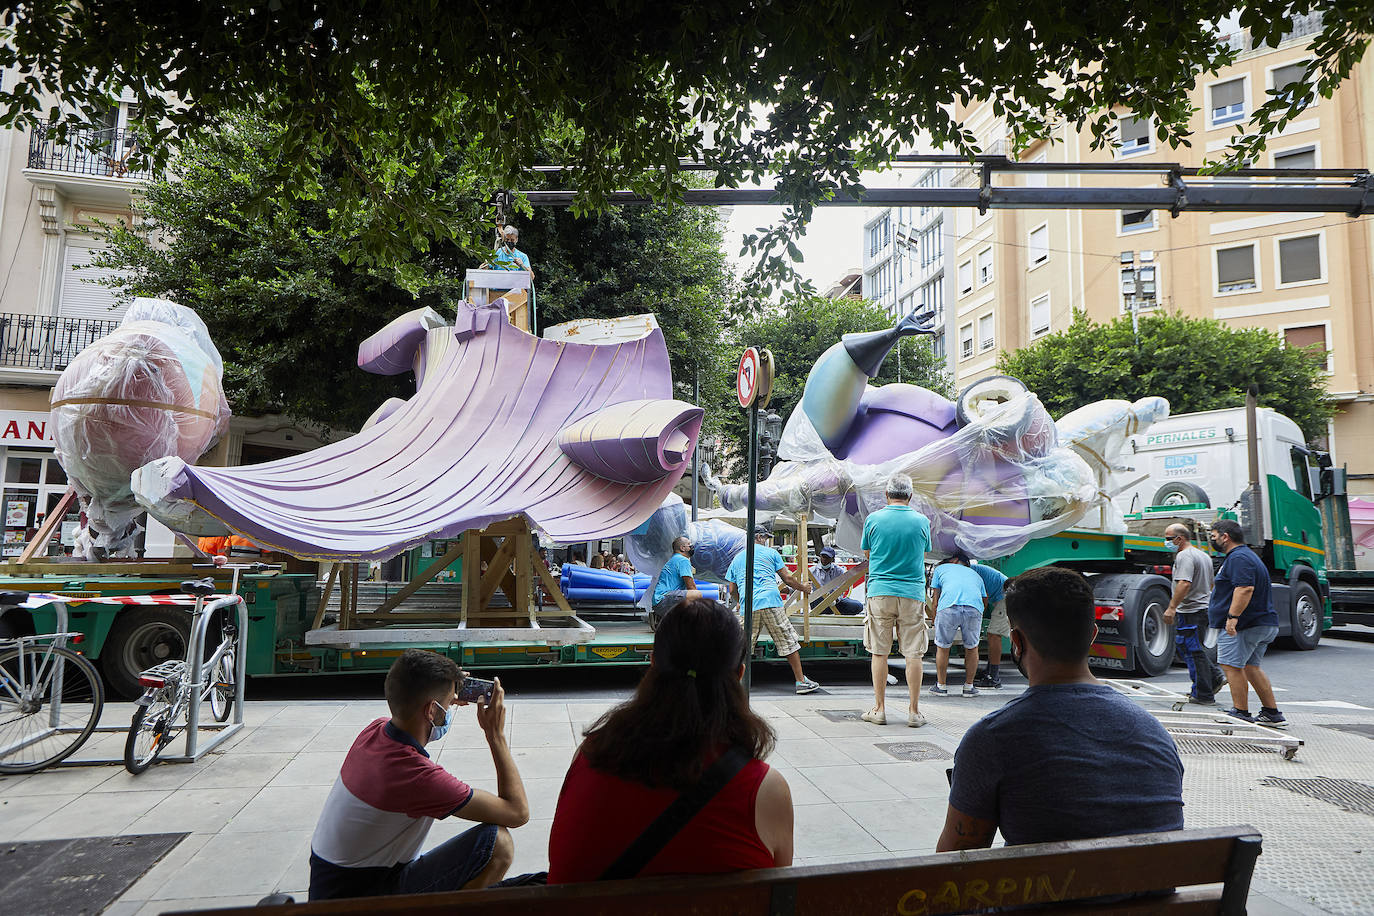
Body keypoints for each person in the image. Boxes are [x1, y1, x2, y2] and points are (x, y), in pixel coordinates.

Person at [937, 567, 1184, 851]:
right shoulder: (1155, 732)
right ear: (1092, 635)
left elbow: (954, 862)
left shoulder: (992, 738)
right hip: (1151, 893)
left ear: (1016, 643)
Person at [548, 598, 793, 882]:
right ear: (739, 674)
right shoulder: (765, 791)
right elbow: (779, 897)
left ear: (653, 662)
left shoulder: (591, 755)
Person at [308, 650, 529, 900]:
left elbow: (414, 727)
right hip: (360, 901)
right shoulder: (418, 778)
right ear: (431, 712)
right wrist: (495, 735)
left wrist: (440, 696)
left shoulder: (373, 731)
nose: (450, 709)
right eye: (447, 705)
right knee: (497, 844)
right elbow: (517, 812)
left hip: (332, 889)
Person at [859, 473, 932, 727]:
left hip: (880, 590)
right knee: (914, 654)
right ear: (910, 496)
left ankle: (879, 710)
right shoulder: (922, 521)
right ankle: (914, 712)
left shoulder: (873, 519)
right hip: (912, 593)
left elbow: (868, 552)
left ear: (886, 495)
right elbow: (923, 551)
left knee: (879, 652)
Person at [1207, 519, 1287, 727]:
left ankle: (1240, 712)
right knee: (1251, 667)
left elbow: (1244, 588)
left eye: (1214, 536)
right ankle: (1272, 713)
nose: (1212, 540)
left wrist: (1232, 617)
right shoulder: (1247, 556)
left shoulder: (1238, 558)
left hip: (1245, 624)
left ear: (1226, 537)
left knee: (1231, 665)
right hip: (1261, 622)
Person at [725, 527, 820, 694]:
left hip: (749, 604)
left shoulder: (737, 558)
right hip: (770, 601)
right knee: (788, 642)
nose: (767, 540)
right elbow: (788, 578)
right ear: (760, 537)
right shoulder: (771, 554)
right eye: (766, 537)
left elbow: (732, 588)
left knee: (742, 646)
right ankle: (800, 681)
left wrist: (740, 601)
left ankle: (736, 684)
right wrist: (804, 588)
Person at [1163, 523, 1222, 705]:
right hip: (1201, 608)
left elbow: (1184, 583)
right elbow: (1211, 583)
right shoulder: (1202, 555)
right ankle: (1213, 677)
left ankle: (1203, 693)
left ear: (1179, 539)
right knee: (1192, 648)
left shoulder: (1184, 556)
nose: (1166, 542)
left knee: (1193, 651)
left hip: (1191, 611)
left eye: (1168, 538)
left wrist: (1172, 607)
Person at [927, 553, 986, 697]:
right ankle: (969, 687)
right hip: (974, 608)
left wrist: (934, 619)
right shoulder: (975, 574)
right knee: (972, 648)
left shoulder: (941, 569)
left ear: (954, 560)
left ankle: (941, 686)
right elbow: (984, 598)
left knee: (943, 647)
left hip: (949, 607)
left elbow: (935, 600)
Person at [651, 535, 706, 625]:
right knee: (696, 594)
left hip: (659, 602)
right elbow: (691, 587)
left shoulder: (675, 559)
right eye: (689, 544)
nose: (691, 546)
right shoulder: (683, 560)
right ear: (682, 548)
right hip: (663, 600)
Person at [971, 561, 1010, 689]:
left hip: (1006, 597)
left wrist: (976, 618)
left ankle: (994, 678)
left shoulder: (972, 573)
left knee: (994, 635)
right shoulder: (972, 569)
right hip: (1005, 596)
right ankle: (989, 672)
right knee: (993, 634)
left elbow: (984, 598)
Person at [809, 546, 862, 615]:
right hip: (819, 601)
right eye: (823, 556)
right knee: (816, 600)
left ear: (832, 559)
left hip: (835, 602)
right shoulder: (812, 571)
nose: (824, 559)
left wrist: (835, 600)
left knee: (858, 606)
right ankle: (828, 609)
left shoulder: (839, 571)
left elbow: (840, 590)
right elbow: (801, 584)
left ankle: (831, 609)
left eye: (827, 557)